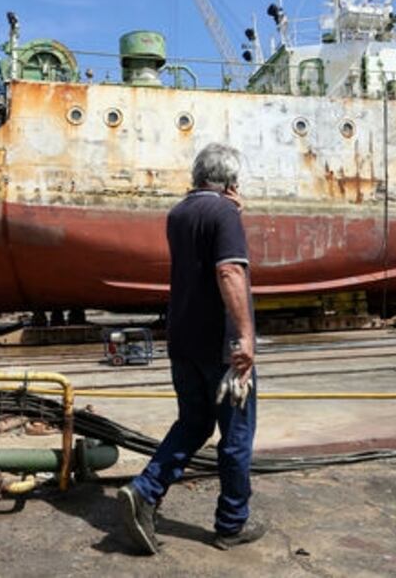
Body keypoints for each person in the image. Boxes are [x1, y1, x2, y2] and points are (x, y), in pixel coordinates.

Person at [118, 142, 265, 554]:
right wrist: (245, 338)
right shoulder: (223, 213)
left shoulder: (178, 213)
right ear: (231, 182)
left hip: (182, 340)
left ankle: (145, 491)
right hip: (222, 347)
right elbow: (229, 270)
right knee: (236, 435)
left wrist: (232, 213)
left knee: (194, 423)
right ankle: (232, 524)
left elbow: (202, 254)